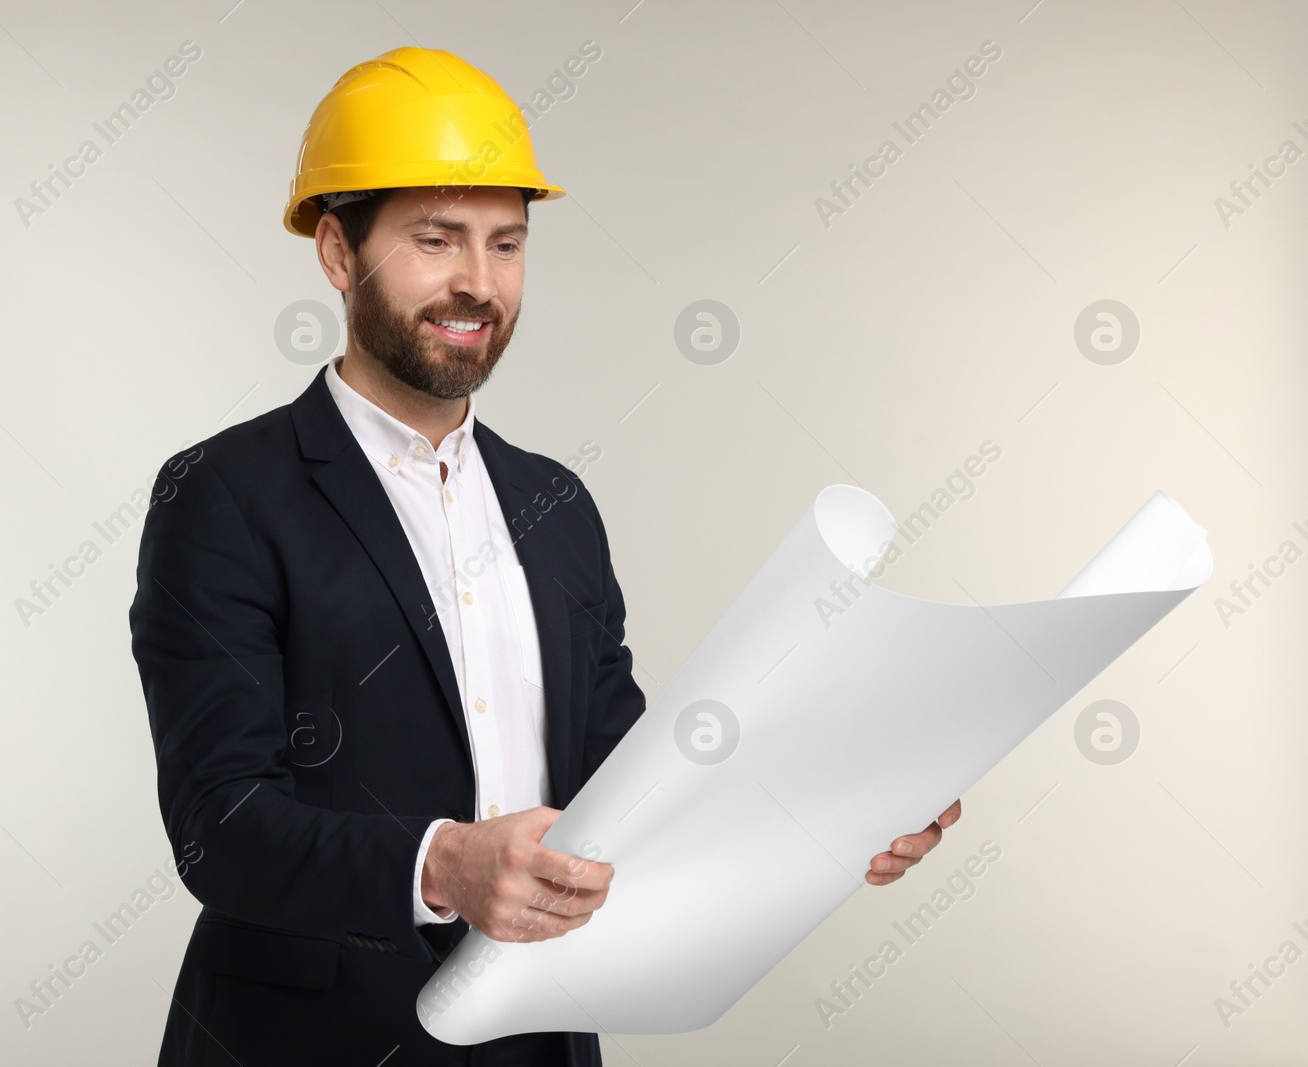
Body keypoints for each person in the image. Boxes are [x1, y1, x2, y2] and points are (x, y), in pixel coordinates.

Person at [128, 45, 960, 1067]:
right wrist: (445, 861)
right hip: (309, 1039)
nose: (477, 283)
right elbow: (221, 818)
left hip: (540, 1034)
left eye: (507, 243)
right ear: (339, 253)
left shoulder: (555, 503)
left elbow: (630, 780)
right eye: (436, 239)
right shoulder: (223, 494)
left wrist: (834, 814)